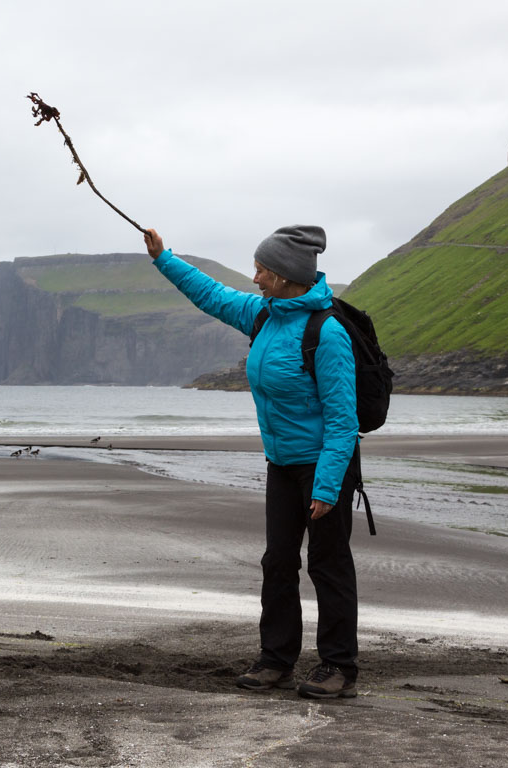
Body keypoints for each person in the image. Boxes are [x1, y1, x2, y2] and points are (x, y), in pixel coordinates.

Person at [144, 225, 361, 699]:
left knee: (329, 565)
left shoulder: (327, 333)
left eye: (262, 268)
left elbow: (345, 421)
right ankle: (277, 660)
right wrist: (164, 259)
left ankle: (338, 667)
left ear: (285, 276)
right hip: (282, 463)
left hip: (326, 466)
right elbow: (212, 295)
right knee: (278, 562)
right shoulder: (264, 315)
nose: (256, 275)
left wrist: (326, 488)